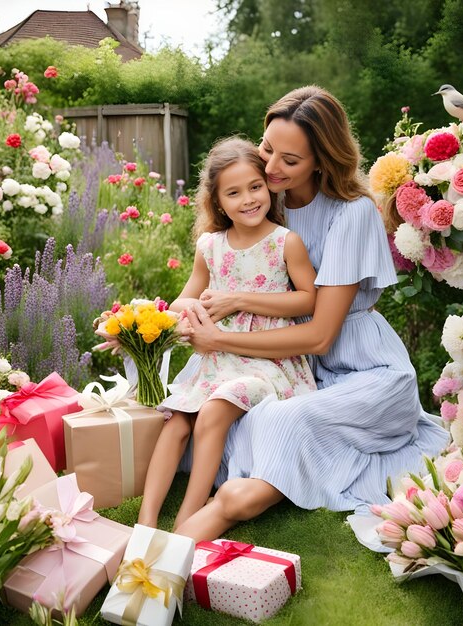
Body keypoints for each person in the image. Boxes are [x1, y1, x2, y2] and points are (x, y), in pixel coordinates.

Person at [171, 86, 450, 542]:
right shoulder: (265, 200)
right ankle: (207, 512)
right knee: (228, 408)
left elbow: (320, 336)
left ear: (321, 160)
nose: (271, 167)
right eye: (267, 149)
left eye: (290, 160)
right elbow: (208, 279)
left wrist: (221, 336)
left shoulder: (352, 213)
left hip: (365, 371)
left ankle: (205, 523)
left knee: (280, 421)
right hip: (295, 369)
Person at [138, 137, 318, 529]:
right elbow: (183, 300)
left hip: (266, 361)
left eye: (255, 187)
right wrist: (167, 314)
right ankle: (146, 519)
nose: (249, 199)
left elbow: (307, 300)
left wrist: (239, 300)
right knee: (177, 422)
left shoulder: (284, 242)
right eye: (234, 193)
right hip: (218, 359)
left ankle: (189, 516)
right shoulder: (210, 246)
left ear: (268, 187)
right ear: (219, 202)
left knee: (215, 410)